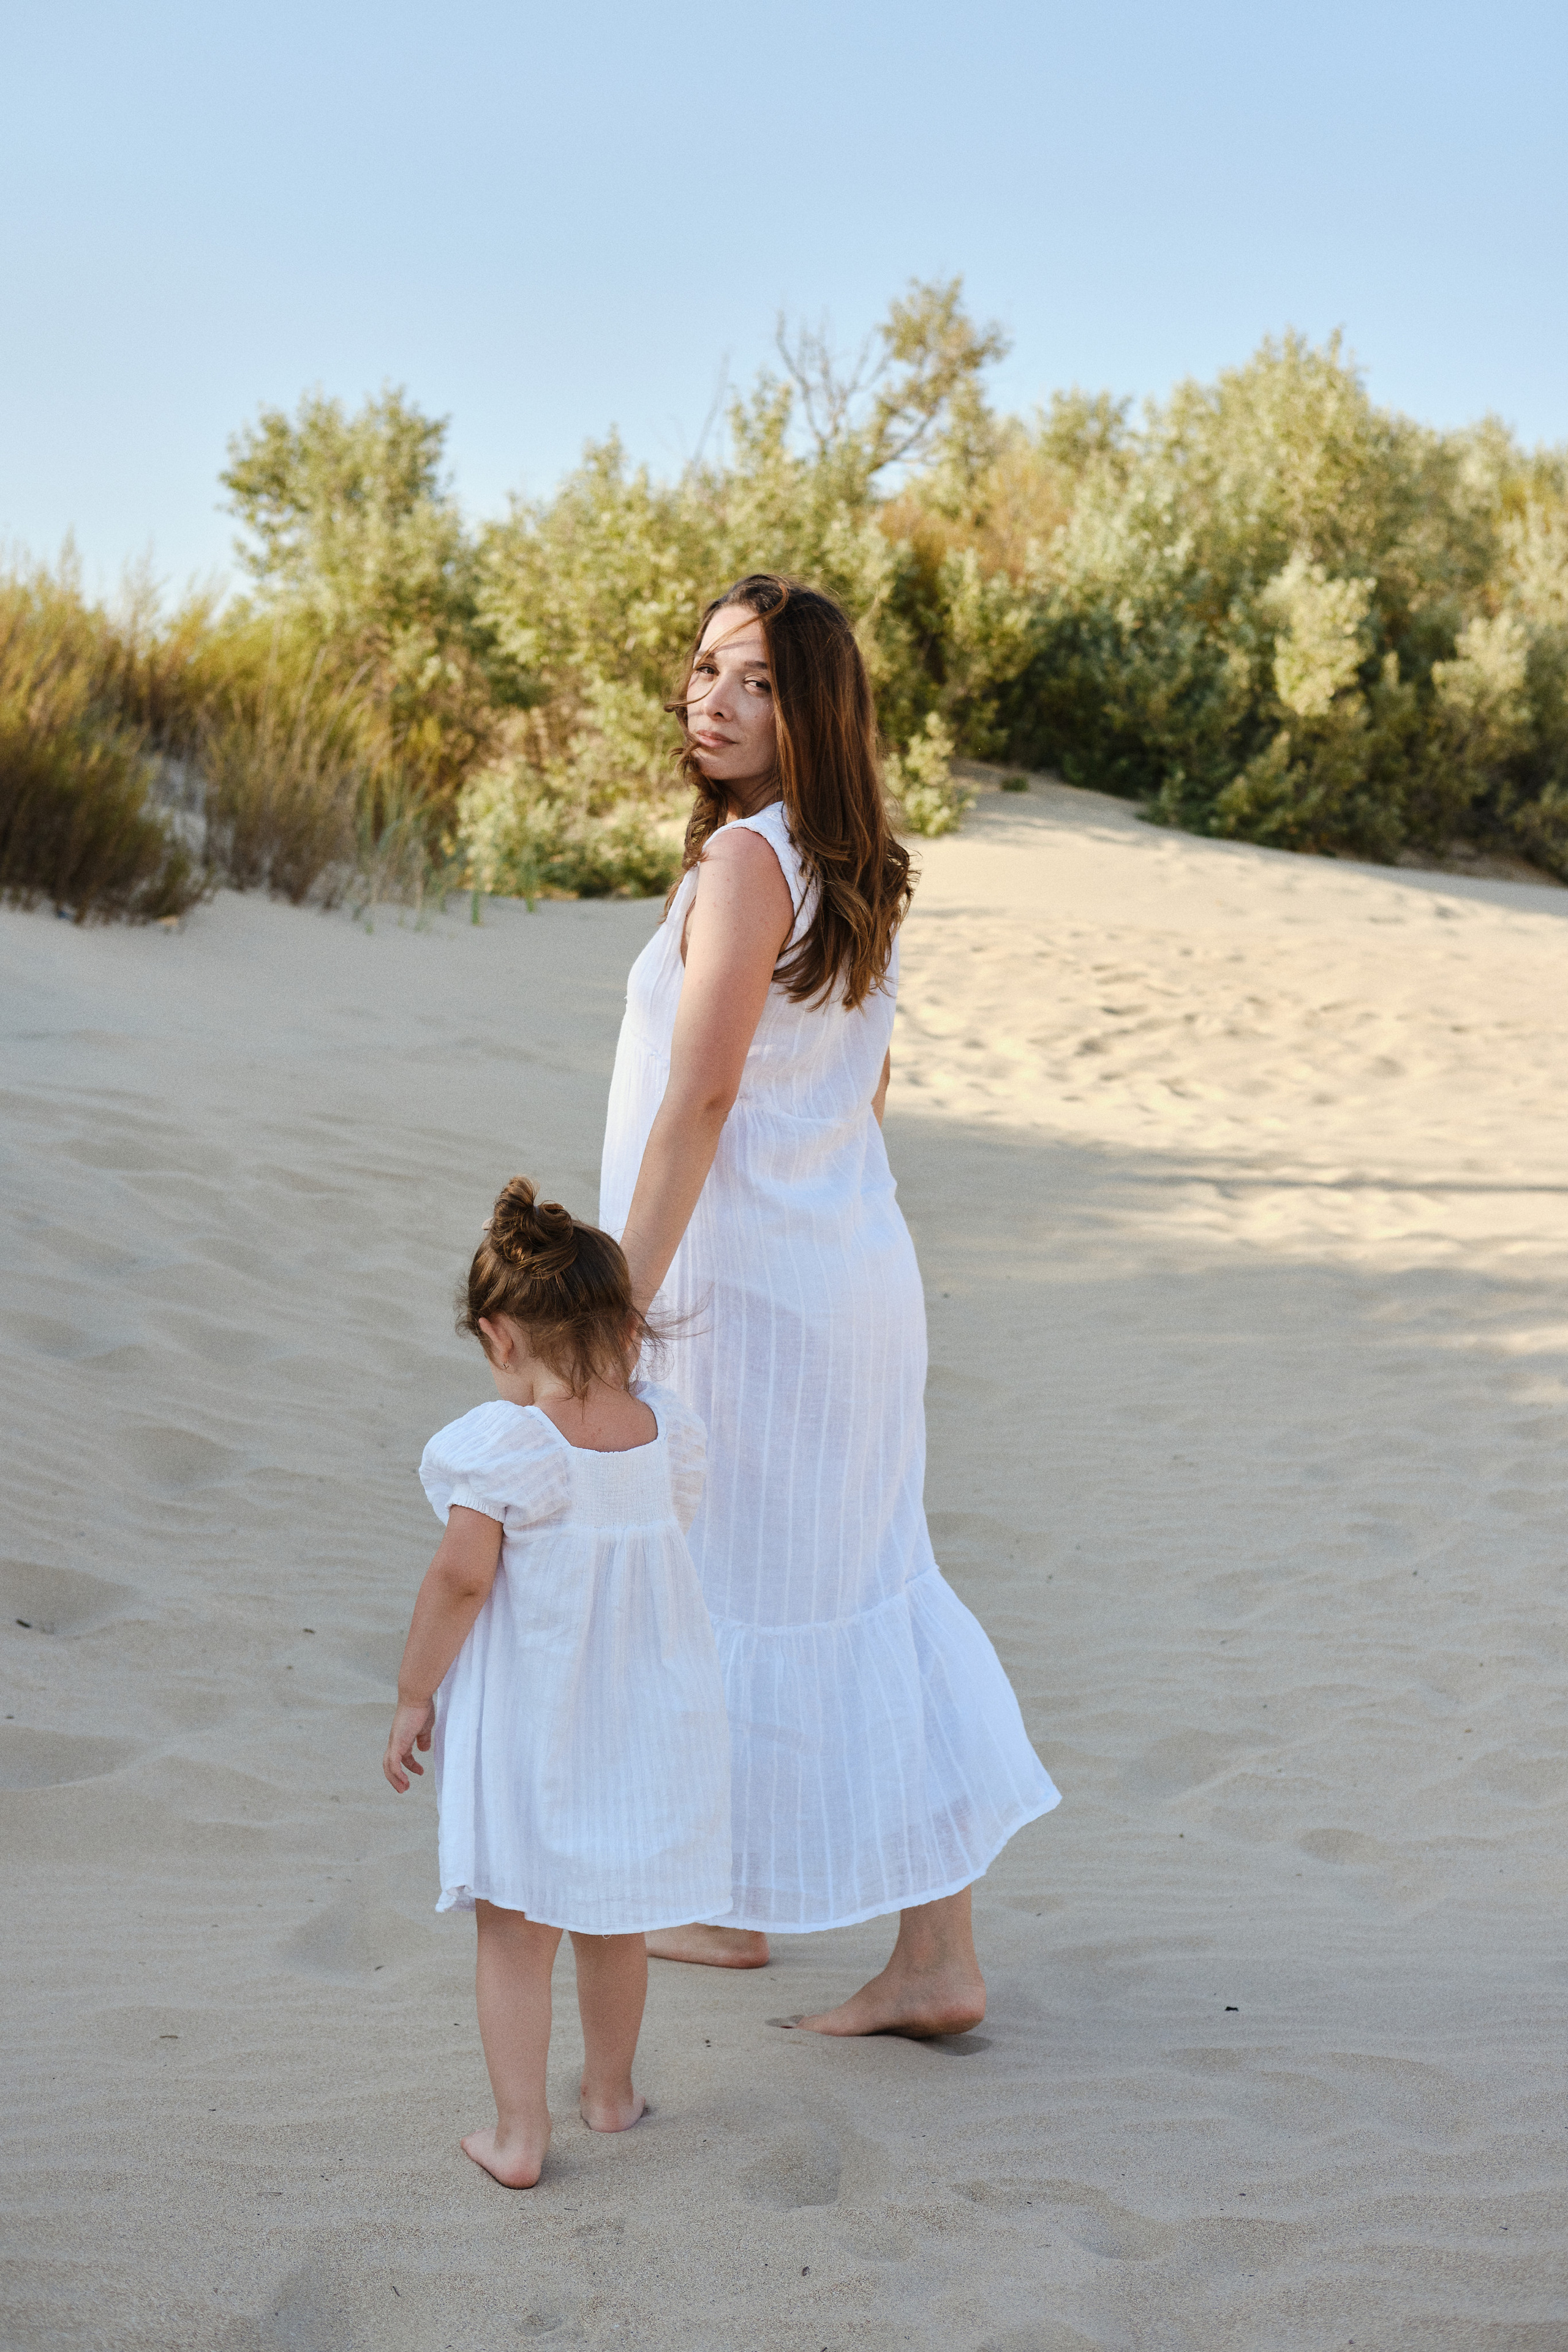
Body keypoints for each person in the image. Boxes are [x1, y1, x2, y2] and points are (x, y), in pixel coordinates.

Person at [599, 574, 1059, 2037]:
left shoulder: (748, 862)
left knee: (769, 1583)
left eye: (753, 679)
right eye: (701, 669)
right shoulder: (845, 864)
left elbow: (704, 1094)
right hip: (843, 1281)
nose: (710, 698)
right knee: (837, 1581)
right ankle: (778, 1916)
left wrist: (611, 1303)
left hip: (752, 1305)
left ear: (816, 713)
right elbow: (863, 1088)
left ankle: (870, 1942)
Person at [382, 1176, 729, 2187]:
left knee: (516, 1930)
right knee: (616, 1915)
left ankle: (520, 2137)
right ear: (629, 1325)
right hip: (646, 1716)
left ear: (499, 1337)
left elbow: (460, 1577)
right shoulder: (668, 1435)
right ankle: (612, 2097)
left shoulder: (509, 1444)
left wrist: (415, 1692)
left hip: (539, 1725)